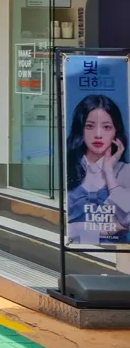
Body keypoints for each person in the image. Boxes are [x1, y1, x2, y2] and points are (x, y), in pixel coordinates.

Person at [66, 94, 130, 245]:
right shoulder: (68, 168)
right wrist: (99, 230)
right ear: (80, 129)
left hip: (113, 254)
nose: (98, 135)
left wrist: (109, 173)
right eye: (90, 126)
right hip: (73, 252)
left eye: (107, 127)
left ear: (116, 132)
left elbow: (127, 221)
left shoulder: (125, 171)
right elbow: (60, 227)